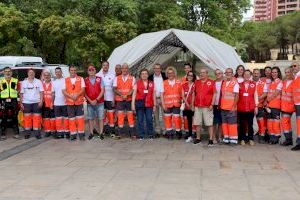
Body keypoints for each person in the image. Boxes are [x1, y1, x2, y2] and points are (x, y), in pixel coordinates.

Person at [192, 68, 216, 146]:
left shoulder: (211, 82)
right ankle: (198, 138)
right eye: (200, 73)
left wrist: (212, 104)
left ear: (207, 74)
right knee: (197, 123)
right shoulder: (196, 82)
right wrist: (192, 104)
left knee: (209, 123)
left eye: (203, 72)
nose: (201, 74)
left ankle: (211, 139)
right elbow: (193, 93)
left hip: (207, 106)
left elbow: (214, 94)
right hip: (197, 106)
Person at [63, 66, 85, 141]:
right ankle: (73, 134)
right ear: (69, 71)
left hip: (79, 102)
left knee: (80, 119)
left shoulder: (80, 78)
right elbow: (63, 91)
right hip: (70, 103)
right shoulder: (66, 80)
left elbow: (83, 89)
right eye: (72, 70)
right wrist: (71, 96)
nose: (73, 72)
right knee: (71, 119)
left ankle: (81, 134)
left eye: (75, 70)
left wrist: (77, 95)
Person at [132, 69, 156, 139]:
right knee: (140, 120)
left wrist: (154, 105)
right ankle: (141, 135)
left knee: (149, 119)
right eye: (142, 74)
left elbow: (153, 95)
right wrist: (133, 105)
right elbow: (134, 95)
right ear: (140, 75)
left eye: (145, 73)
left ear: (148, 75)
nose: (144, 75)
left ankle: (150, 134)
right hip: (140, 105)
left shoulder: (152, 83)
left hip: (149, 105)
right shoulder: (137, 83)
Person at [113, 63, 136, 138]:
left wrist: (127, 95)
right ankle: (120, 133)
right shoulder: (117, 78)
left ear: (128, 69)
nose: (125, 69)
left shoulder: (132, 78)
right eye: (123, 68)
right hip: (120, 100)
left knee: (130, 116)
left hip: (129, 100)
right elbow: (114, 89)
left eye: (126, 68)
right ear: (121, 69)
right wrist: (121, 95)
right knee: (120, 116)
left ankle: (132, 133)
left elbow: (133, 89)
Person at [20, 69, 44, 139]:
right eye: (30, 73)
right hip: (26, 103)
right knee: (27, 119)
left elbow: (41, 92)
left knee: (37, 118)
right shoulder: (24, 82)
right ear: (27, 74)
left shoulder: (38, 81)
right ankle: (27, 133)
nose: (31, 74)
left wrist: (41, 101)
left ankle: (37, 134)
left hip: (36, 102)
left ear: (34, 74)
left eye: (32, 73)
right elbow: (21, 93)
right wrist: (21, 103)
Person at [237, 70, 258, 146]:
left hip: (250, 107)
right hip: (241, 107)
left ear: (250, 76)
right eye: (245, 74)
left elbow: (255, 96)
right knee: (242, 124)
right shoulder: (239, 84)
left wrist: (256, 106)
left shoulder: (254, 84)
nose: (247, 76)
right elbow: (236, 96)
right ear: (243, 75)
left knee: (250, 124)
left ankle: (251, 139)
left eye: (248, 74)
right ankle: (242, 139)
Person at [96, 61, 117, 138]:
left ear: (108, 66)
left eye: (106, 65)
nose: (105, 66)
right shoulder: (97, 75)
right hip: (101, 99)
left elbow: (114, 88)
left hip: (110, 98)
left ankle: (112, 132)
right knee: (102, 116)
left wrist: (114, 99)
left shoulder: (112, 75)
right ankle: (103, 131)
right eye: (104, 65)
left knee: (111, 115)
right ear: (102, 66)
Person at [161, 66, 182, 139]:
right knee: (167, 119)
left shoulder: (179, 82)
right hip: (167, 104)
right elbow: (161, 94)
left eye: (172, 73)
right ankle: (169, 133)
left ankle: (178, 132)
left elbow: (182, 93)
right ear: (167, 74)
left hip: (176, 104)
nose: (170, 74)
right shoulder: (164, 82)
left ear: (174, 73)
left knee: (177, 119)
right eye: (168, 73)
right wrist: (163, 104)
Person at [85, 65, 105, 140]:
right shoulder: (85, 80)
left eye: (92, 69)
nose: (91, 71)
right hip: (90, 103)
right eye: (89, 70)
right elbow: (84, 93)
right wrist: (90, 101)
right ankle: (91, 133)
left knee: (100, 118)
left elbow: (102, 90)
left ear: (95, 71)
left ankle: (101, 133)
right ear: (87, 71)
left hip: (99, 102)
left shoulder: (100, 79)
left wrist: (96, 100)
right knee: (90, 119)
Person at [220, 68, 239, 144]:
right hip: (223, 107)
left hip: (231, 108)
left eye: (229, 72)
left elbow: (237, 96)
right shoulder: (224, 82)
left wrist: (234, 106)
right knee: (224, 124)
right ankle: (226, 138)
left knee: (232, 124)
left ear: (232, 73)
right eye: (226, 72)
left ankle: (233, 139)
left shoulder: (235, 83)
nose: (228, 74)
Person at [0, 67, 20, 140]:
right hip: (3, 100)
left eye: (9, 71)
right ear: (3, 72)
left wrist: (19, 101)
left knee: (15, 116)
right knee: (4, 116)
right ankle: (3, 133)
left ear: (11, 72)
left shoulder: (16, 80)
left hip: (13, 100)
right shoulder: (0, 81)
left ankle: (16, 133)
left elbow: (19, 91)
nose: (8, 73)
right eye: (6, 71)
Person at [148, 63, 167, 137]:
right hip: (154, 98)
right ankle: (157, 131)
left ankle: (165, 131)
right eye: (155, 68)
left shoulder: (165, 76)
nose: (157, 70)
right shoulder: (150, 77)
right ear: (153, 69)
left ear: (161, 69)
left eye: (158, 68)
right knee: (156, 116)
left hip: (163, 98)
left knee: (164, 115)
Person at [266, 66, 282, 144]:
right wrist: (266, 102)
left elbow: (275, 94)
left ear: (278, 73)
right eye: (272, 72)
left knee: (275, 123)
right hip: (270, 106)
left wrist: (268, 100)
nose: (273, 74)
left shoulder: (280, 82)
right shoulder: (272, 82)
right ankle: (272, 138)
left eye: (275, 72)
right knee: (270, 122)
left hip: (276, 106)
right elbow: (269, 93)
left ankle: (276, 138)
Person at [52, 67, 69, 139]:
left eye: (59, 72)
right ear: (55, 73)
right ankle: (60, 133)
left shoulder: (65, 80)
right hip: (56, 104)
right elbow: (53, 93)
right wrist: (52, 103)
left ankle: (67, 132)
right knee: (58, 119)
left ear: (61, 72)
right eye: (56, 72)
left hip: (65, 103)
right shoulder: (53, 82)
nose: (58, 73)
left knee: (65, 119)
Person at [253, 68, 268, 143]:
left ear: (259, 74)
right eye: (254, 73)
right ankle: (250, 136)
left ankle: (261, 136)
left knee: (261, 121)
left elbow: (265, 93)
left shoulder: (263, 83)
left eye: (257, 73)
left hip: (259, 105)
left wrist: (257, 98)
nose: (256, 75)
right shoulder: (250, 82)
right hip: (250, 106)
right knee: (249, 121)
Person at [281, 68, 295, 146]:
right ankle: (289, 139)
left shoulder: (294, 82)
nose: (287, 74)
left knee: (285, 122)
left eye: (289, 72)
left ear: (291, 72)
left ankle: (288, 139)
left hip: (290, 106)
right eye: (286, 72)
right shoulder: (284, 82)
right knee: (286, 123)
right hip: (284, 105)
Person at [182, 71, 196, 143]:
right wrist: (187, 104)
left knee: (193, 120)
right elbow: (183, 95)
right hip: (186, 106)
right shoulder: (184, 85)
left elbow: (193, 95)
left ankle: (194, 134)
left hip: (192, 106)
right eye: (189, 75)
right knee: (188, 121)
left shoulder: (194, 85)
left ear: (193, 77)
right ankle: (189, 135)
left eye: (191, 75)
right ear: (187, 76)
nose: (190, 77)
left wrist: (192, 105)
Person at [42, 70, 56, 137]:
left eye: (48, 75)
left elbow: (55, 94)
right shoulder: (41, 84)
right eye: (45, 75)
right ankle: (47, 131)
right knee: (46, 119)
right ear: (43, 76)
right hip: (44, 104)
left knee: (52, 118)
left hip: (52, 104)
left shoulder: (53, 83)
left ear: (50, 76)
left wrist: (52, 103)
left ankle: (53, 131)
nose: (46, 76)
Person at [213, 69, 223, 143]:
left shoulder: (225, 83)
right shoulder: (213, 83)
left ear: (222, 74)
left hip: (222, 105)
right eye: (216, 74)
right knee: (214, 122)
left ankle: (220, 136)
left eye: (219, 73)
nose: (218, 75)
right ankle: (213, 137)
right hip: (214, 104)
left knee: (220, 122)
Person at [291, 62, 300, 151]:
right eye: (292, 66)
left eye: (295, 66)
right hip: (297, 103)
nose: (293, 67)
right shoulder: (295, 77)